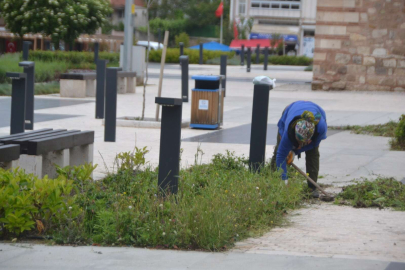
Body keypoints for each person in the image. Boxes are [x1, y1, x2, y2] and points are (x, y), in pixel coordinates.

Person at [270, 101, 327, 198]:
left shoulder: (320, 129)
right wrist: (284, 180)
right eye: (298, 141)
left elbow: (314, 145)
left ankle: (312, 188)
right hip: (290, 110)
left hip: (317, 111)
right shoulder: (288, 132)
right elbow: (281, 156)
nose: (300, 145)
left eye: (303, 143)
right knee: (279, 151)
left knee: (312, 155)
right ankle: (275, 182)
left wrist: (295, 151)